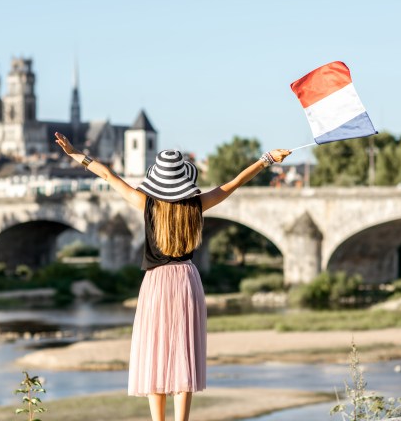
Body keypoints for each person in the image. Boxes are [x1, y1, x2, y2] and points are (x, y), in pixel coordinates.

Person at [54, 132, 291, 421]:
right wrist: (267, 159)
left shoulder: (146, 204)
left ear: (157, 180)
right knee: (183, 352)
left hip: (155, 283)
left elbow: (107, 175)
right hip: (187, 280)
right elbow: (234, 183)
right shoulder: (197, 206)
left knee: (155, 351)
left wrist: (75, 153)